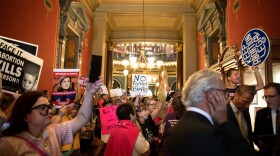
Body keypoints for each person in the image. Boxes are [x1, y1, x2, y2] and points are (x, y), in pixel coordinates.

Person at [0, 77, 103, 155]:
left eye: (48, 107)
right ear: (26, 116)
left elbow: (81, 119)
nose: (50, 111)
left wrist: (89, 92)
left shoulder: (53, 132)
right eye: (42, 108)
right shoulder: (9, 144)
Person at [169, 69, 253, 156]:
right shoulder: (210, 133)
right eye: (223, 92)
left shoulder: (179, 126)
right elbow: (245, 152)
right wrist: (224, 122)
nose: (226, 97)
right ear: (211, 95)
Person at [254, 83, 280, 156]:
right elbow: (256, 135)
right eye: (265, 97)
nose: (267, 100)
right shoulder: (260, 114)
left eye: (271, 97)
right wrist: (261, 144)